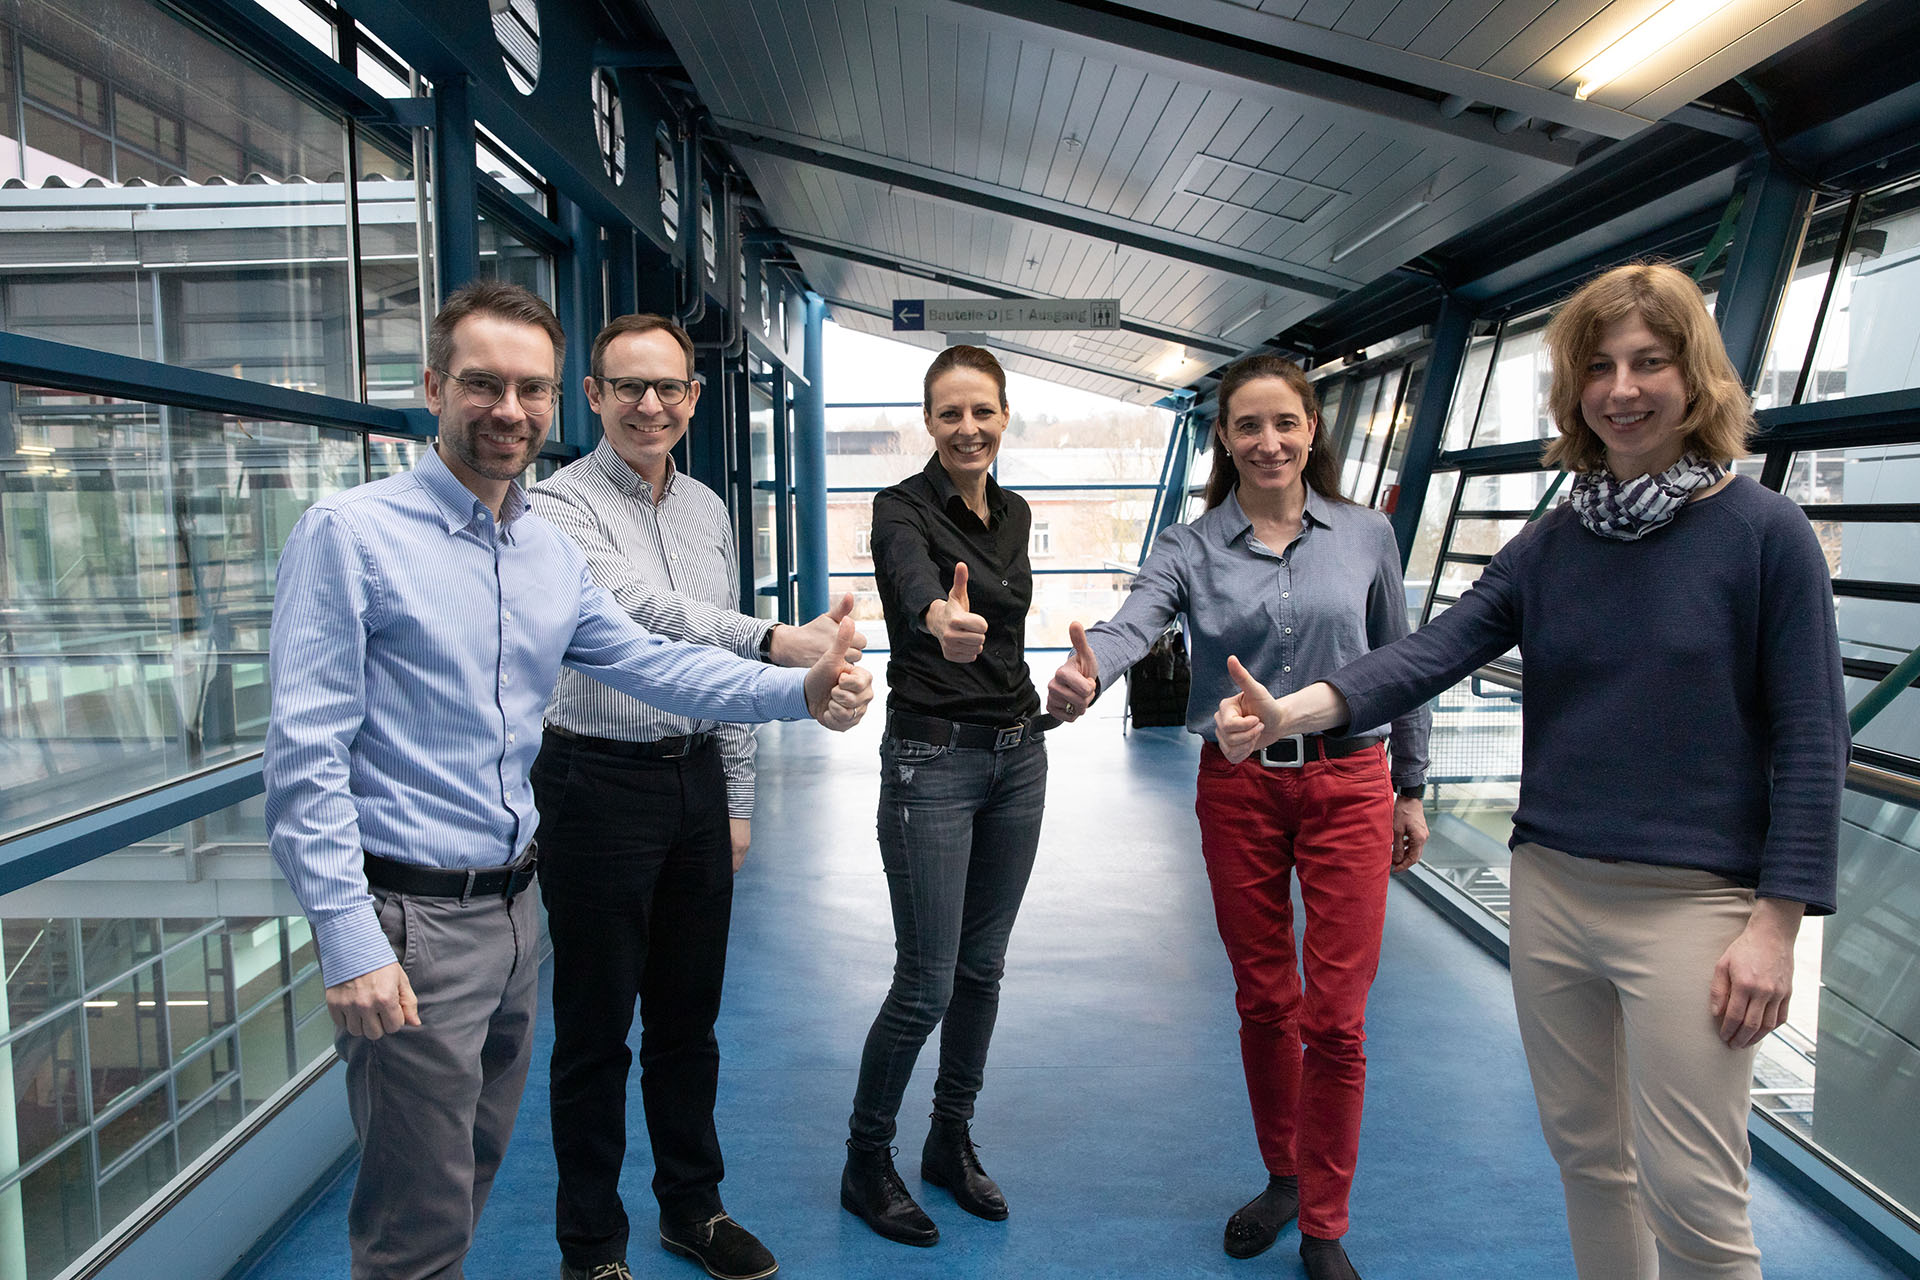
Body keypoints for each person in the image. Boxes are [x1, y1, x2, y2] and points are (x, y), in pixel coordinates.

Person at [1214, 263, 1849, 1280]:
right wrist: (1296, 710)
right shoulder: (1555, 541)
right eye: (1598, 366)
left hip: (1695, 904)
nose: (1623, 388)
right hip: (1553, 890)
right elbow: (1429, 651)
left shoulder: (1764, 535)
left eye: (1650, 362)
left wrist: (1778, 922)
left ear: (1696, 377)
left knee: (1694, 1192)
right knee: (1592, 1162)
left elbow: (1815, 734)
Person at [263, 282, 872, 1280]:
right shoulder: (353, 535)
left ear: (551, 400)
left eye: (527, 389)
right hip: (413, 914)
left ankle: (682, 1208)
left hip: (513, 906)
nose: (509, 409)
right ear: (432, 387)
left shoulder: (538, 549)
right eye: (483, 383)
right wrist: (347, 935)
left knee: (468, 1178)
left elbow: (650, 659)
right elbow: (304, 757)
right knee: (413, 1223)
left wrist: (798, 691)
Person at [1045, 353, 1429, 1280]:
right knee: (1265, 998)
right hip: (1241, 788)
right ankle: (1283, 1174)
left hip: (1349, 784)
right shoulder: (1190, 545)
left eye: (1285, 424)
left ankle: (1325, 1225)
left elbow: (1402, 659)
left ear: (1311, 431)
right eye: (1247, 426)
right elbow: (1139, 620)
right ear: (1223, 437)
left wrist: (1411, 785)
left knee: (1335, 1017)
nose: (1268, 442)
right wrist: (1092, 669)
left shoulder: (1368, 534)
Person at [528, 313, 867, 1280]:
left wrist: (738, 797)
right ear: (592, 397)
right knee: (594, 1036)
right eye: (628, 387)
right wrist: (776, 641)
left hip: (690, 783)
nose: (650, 405)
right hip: (592, 783)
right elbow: (639, 613)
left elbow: (706, 671)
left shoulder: (708, 509)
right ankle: (591, 1247)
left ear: (694, 396)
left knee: (688, 1020)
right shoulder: (558, 509)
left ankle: (694, 1209)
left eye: (668, 387)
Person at [839, 345, 1049, 1248]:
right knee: (924, 980)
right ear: (929, 422)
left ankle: (948, 1141)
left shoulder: (1016, 512)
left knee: (982, 968)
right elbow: (916, 583)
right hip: (932, 759)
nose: (968, 428)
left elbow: (1006, 635)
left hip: (1017, 756)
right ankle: (865, 1160)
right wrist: (938, 620)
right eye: (950, 413)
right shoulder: (899, 508)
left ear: (1004, 419)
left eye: (984, 412)